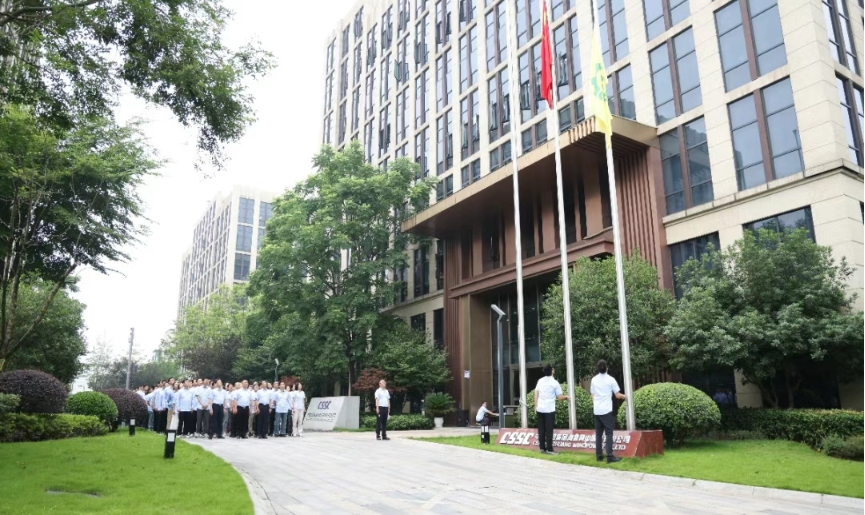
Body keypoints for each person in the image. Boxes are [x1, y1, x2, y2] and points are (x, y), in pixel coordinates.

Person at [590, 360, 626, 464]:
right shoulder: (611, 379)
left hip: (597, 410)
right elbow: (617, 395)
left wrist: (597, 401)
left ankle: (599, 456)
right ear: (607, 368)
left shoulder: (594, 380)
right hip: (606, 410)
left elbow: (592, 395)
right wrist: (626, 396)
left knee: (598, 434)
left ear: (598, 369)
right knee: (609, 433)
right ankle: (610, 456)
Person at [534, 364, 568, 455]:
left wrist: (536, 406)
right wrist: (566, 397)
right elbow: (560, 397)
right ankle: (549, 449)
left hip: (540, 408)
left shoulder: (540, 381)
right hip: (549, 409)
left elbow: (536, 393)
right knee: (549, 430)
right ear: (552, 371)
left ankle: (542, 448)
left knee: (541, 429)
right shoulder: (555, 383)